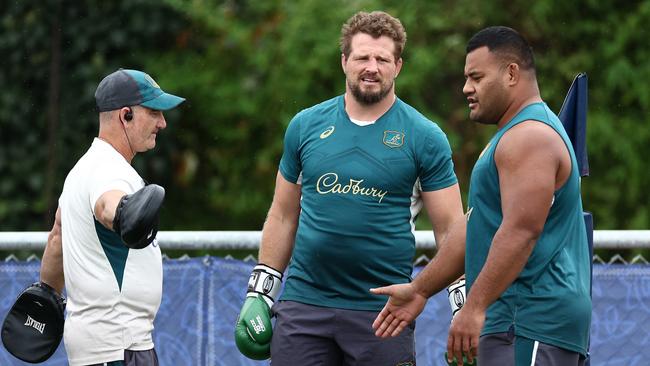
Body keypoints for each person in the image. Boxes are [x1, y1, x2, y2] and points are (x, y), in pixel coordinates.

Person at [234, 10, 466, 365]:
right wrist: (260, 293)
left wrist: (463, 305)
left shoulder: (425, 137)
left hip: (384, 314)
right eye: (362, 57)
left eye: (382, 59)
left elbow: (450, 229)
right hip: (304, 306)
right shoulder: (305, 126)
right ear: (344, 61)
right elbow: (282, 216)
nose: (371, 67)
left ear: (398, 66)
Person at [371, 26, 591, 366]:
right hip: (517, 321)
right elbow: (474, 225)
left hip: (529, 320)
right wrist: (420, 290)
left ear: (512, 73)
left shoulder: (529, 137)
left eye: (476, 77)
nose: (466, 88)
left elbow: (520, 231)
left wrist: (474, 307)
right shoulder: (513, 135)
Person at [38, 68, 185, 366]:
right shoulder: (110, 171)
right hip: (118, 347)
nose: (163, 122)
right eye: (154, 112)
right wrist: (122, 212)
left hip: (106, 346)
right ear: (125, 115)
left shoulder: (83, 168)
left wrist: (46, 296)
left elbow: (57, 237)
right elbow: (109, 204)